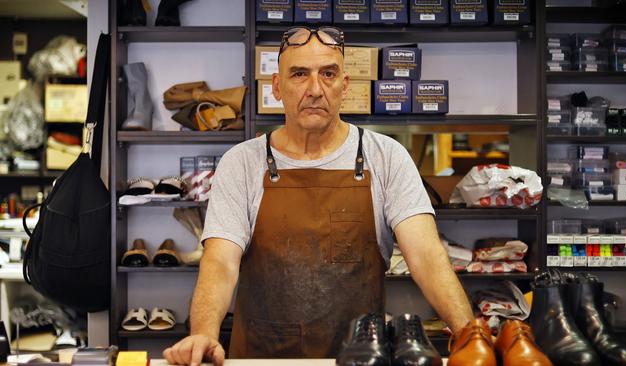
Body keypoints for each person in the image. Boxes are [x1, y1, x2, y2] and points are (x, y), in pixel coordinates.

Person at [163, 26, 473, 366]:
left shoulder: (386, 156)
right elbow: (220, 261)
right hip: (263, 360)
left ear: (345, 86)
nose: (315, 89)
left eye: (328, 74)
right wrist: (204, 333)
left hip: (360, 358)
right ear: (277, 87)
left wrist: (469, 335)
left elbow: (427, 257)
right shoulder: (242, 163)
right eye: (299, 74)